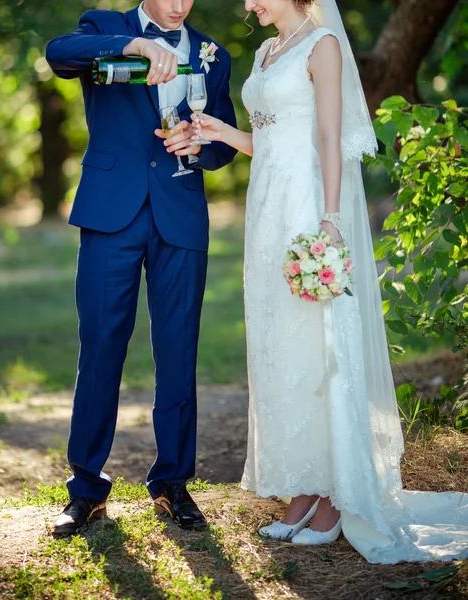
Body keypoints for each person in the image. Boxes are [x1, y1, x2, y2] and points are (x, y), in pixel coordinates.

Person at [192, 0, 468, 563]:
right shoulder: (268, 51)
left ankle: (336, 497)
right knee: (280, 346)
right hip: (266, 206)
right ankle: (304, 487)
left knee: (317, 342)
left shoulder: (324, 46)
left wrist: (331, 222)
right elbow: (270, 142)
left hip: (307, 205)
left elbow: (327, 138)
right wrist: (222, 131)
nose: (249, 5)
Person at [45, 0, 237, 535]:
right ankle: (86, 488)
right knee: (102, 344)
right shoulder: (105, 27)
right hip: (111, 214)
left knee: (179, 349)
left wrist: (202, 141)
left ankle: (173, 483)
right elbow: (58, 53)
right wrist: (136, 45)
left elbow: (224, 139)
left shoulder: (211, 52)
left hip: (180, 213)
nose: (179, 7)